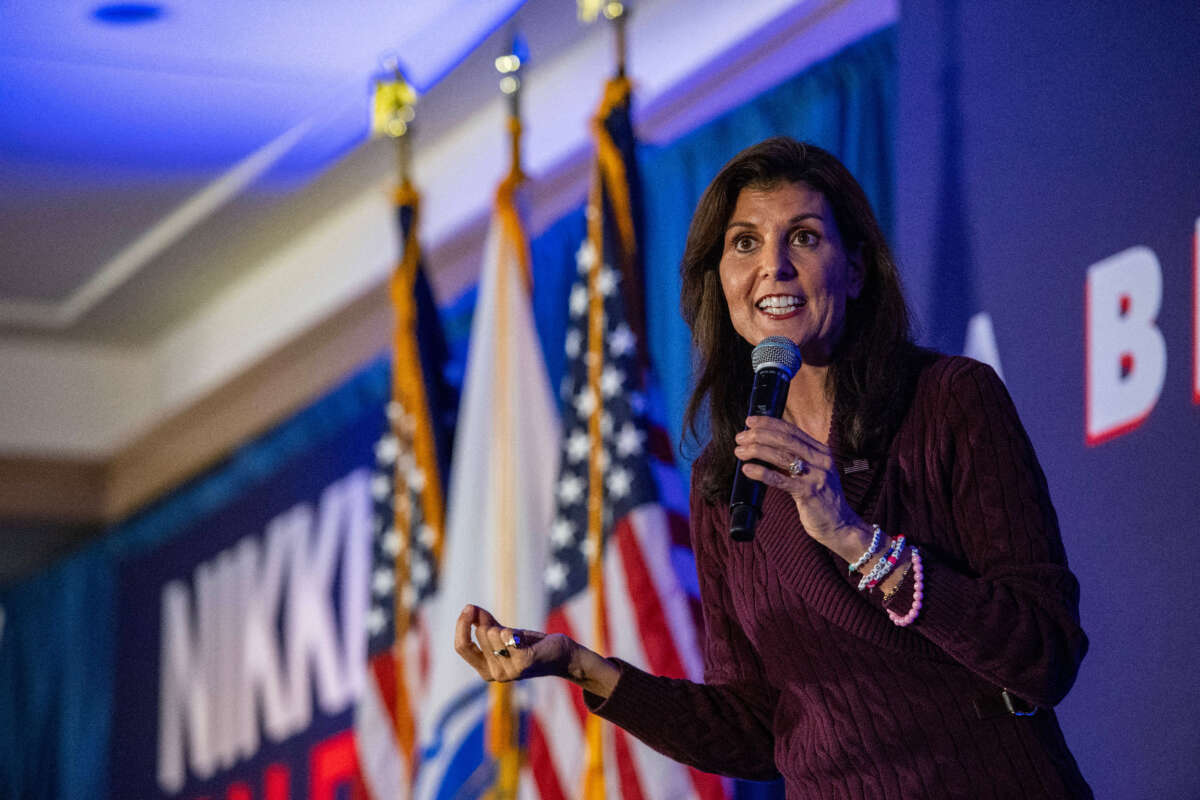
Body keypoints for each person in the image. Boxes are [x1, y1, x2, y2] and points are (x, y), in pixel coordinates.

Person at [454, 138, 1092, 798]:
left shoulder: (950, 401)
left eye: (806, 238)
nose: (774, 267)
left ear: (856, 269)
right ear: (720, 281)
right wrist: (579, 665)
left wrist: (851, 537)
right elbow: (760, 726)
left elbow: (1043, 653)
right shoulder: (721, 483)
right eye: (745, 243)